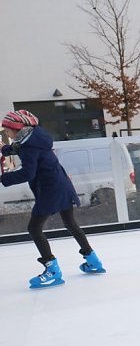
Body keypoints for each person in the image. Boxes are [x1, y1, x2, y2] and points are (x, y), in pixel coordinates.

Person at [0, 110, 105, 288]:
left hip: (50, 189)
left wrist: (3, 179)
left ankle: (52, 271)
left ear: (18, 128)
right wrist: (5, 149)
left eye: (8, 130)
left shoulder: (28, 146)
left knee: (34, 228)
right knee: (70, 223)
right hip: (61, 184)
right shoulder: (36, 136)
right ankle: (93, 261)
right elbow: (19, 148)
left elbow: (27, 172)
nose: (7, 134)